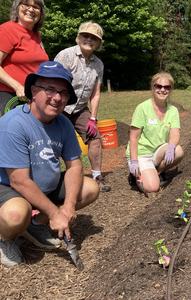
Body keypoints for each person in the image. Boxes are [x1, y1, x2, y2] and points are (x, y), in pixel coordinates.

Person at [0, 61, 99, 267]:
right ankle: (4, 239)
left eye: (63, 92)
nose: (57, 98)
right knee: (16, 214)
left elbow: (75, 166)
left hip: (46, 186)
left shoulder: (63, 123)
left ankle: (35, 224)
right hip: (10, 188)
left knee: (90, 188)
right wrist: (55, 213)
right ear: (34, 91)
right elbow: (19, 181)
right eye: (50, 89)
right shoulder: (13, 124)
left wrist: (69, 207)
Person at [54, 21, 111, 192]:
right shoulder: (66, 56)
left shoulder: (98, 64)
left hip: (80, 109)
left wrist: (93, 117)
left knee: (95, 138)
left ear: (99, 43)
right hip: (60, 107)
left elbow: (95, 93)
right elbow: (54, 83)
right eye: (85, 36)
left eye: (94, 38)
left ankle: (96, 176)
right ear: (78, 37)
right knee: (55, 142)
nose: (89, 40)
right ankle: (54, 181)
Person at [126, 72, 184, 194]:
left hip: (157, 151)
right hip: (142, 153)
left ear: (171, 89)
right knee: (152, 188)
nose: (162, 90)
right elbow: (134, 138)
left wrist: (171, 147)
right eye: (159, 86)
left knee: (178, 151)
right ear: (153, 87)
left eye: (167, 87)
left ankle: (158, 171)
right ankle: (136, 173)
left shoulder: (172, 110)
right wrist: (134, 161)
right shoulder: (142, 108)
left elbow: (175, 133)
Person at [0, 0, 48, 115]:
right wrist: (17, 87)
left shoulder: (37, 35)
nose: (31, 9)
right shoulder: (7, 29)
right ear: (17, 8)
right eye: (26, 5)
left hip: (32, 97)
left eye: (36, 7)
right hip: (8, 96)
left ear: (41, 13)